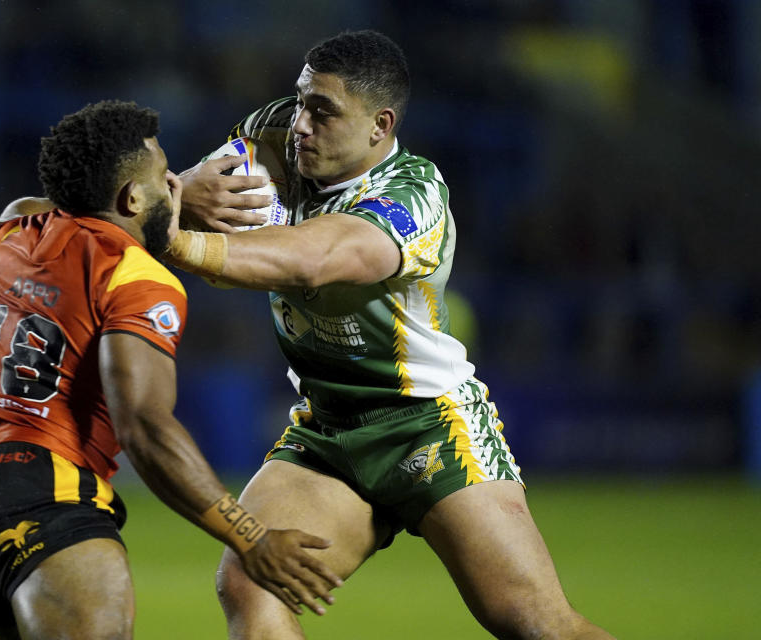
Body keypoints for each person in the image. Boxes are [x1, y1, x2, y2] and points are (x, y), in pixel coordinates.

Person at [168, 31, 615, 639]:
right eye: (301, 101)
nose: (301, 123)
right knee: (251, 582)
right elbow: (208, 195)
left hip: (425, 424)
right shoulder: (277, 132)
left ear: (380, 125)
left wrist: (173, 237)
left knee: (534, 622)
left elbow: (318, 260)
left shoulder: (414, 194)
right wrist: (184, 187)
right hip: (326, 426)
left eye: (323, 111)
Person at [0, 100, 342, 640]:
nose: (175, 178)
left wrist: (153, 198)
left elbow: (58, 204)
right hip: (43, 493)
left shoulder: (17, 231)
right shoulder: (138, 278)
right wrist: (250, 537)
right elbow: (144, 427)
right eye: (164, 173)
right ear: (132, 197)